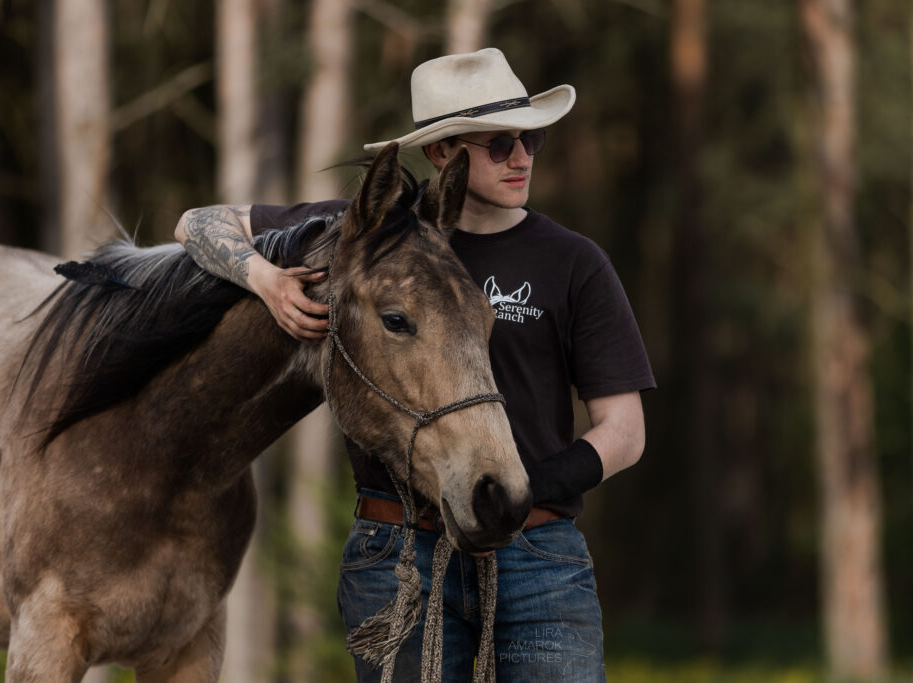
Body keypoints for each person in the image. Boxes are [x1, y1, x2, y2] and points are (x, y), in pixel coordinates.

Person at [175, 47, 655, 682]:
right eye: (499, 144)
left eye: (531, 140)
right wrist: (266, 280)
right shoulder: (359, 238)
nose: (521, 158)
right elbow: (197, 223)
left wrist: (514, 494)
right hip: (396, 556)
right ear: (441, 152)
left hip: (538, 555)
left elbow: (625, 431)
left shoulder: (574, 262)